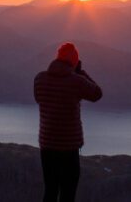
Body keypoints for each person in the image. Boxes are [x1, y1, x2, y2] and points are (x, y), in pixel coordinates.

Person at [33, 42, 103, 202]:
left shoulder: (39, 79)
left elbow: (39, 99)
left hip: (47, 146)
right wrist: (81, 73)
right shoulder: (76, 81)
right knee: (68, 193)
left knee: (50, 190)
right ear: (74, 61)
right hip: (68, 148)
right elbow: (97, 93)